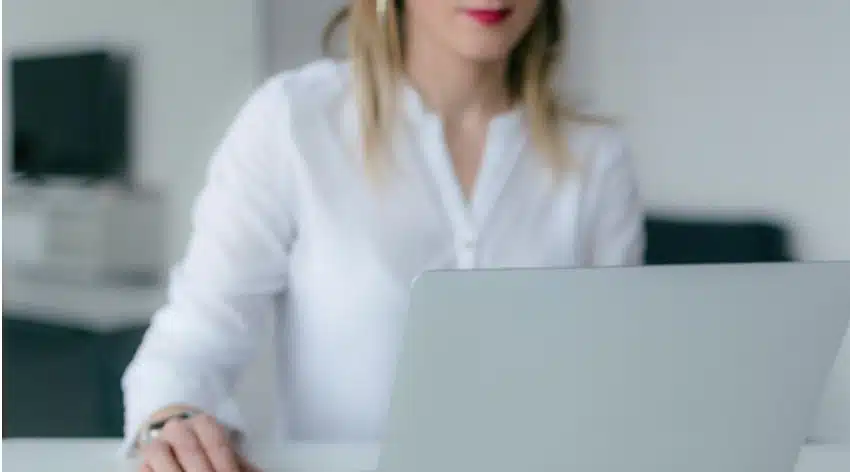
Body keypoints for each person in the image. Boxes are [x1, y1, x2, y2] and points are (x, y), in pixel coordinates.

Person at [124, 0, 644, 470]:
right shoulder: (293, 122)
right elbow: (191, 344)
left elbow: (618, 381)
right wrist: (171, 422)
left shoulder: (597, 157)